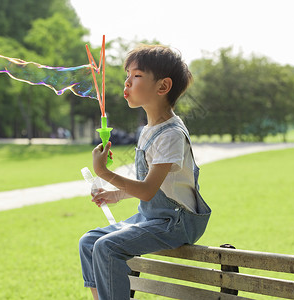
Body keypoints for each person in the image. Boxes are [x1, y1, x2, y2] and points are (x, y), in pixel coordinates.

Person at [78, 45, 211, 300]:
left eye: (136, 76)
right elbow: (154, 185)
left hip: (176, 222)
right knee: (89, 242)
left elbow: (148, 191)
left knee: (107, 247)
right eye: (127, 75)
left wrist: (102, 171)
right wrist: (116, 195)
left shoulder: (171, 133)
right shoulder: (149, 129)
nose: (127, 82)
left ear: (162, 87)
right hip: (152, 217)